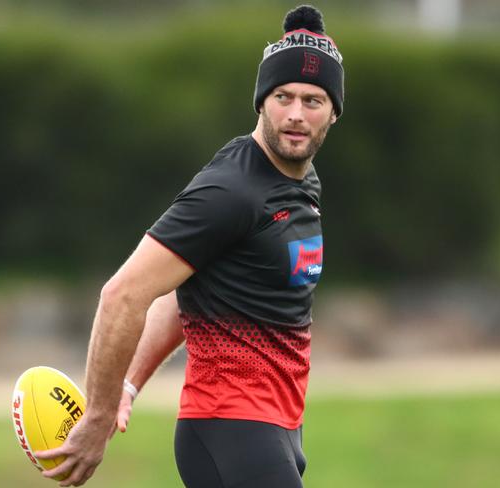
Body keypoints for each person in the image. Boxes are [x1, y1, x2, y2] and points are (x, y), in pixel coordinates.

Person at [35, 4, 344, 487]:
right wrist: (98, 414)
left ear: (333, 112)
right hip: (231, 430)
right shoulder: (230, 191)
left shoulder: (300, 180)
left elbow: (192, 290)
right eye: (283, 96)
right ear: (262, 101)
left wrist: (130, 383)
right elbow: (123, 294)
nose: (296, 115)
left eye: (313, 101)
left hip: (275, 428)